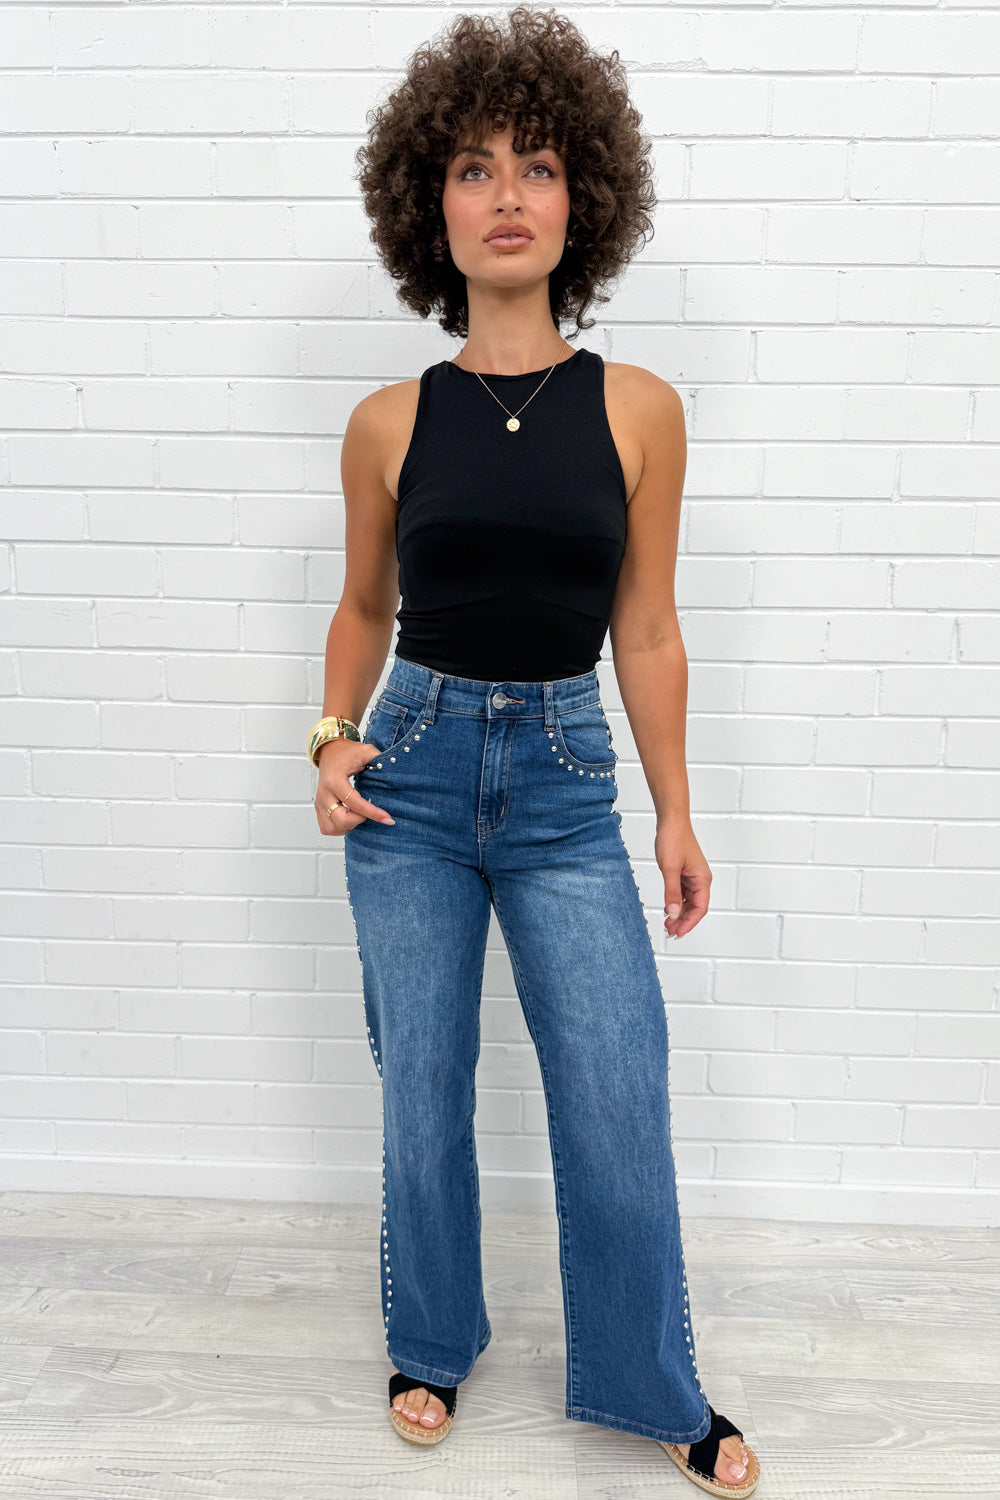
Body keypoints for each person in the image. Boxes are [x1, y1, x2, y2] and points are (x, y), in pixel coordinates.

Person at [305, 9, 760, 1496]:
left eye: (540, 165)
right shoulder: (387, 422)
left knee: (617, 1094)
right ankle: (430, 1342)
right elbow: (364, 608)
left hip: (567, 788)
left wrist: (676, 814)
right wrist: (331, 740)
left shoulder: (640, 411)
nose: (508, 193)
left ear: (585, 201)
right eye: (474, 167)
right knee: (423, 1087)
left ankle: (649, 1384)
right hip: (412, 781)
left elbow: (650, 629)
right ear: (428, 208)